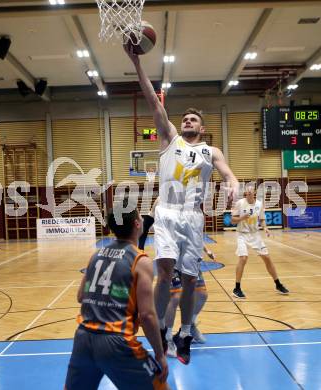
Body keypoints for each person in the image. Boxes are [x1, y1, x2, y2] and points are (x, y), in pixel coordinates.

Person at [125, 46, 239, 365]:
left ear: (201, 128)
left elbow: (229, 173)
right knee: (165, 271)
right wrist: (136, 62)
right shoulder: (169, 138)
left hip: (193, 217)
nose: (188, 121)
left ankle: (185, 332)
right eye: (185, 118)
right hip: (167, 213)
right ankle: (162, 328)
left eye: (194, 120)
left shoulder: (211, 151)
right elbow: (151, 99)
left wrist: (233, 184)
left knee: (190, 279)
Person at [64, 201, 170, 390]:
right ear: (138, 224)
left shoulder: (96, 255)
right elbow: (146, 316)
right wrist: (160, 354)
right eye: (139, 215)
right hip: (116, 342)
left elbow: (81, 296)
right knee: (159, 386)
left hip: (83, 338)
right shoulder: (140, 260)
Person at [231, 186, 289, 299]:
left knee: (267, 258)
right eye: (246, 193)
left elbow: (262, 219)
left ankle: (278, 284)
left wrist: (265, 228)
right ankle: (236, 288)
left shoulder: (259, 204)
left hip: (255, 235)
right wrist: (241, 218)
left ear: (254, 193)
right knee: (243, 258)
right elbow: (233, 220)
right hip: (242, 234)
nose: (248, 194)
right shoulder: (239, 203)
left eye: (250, 192)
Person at [165, 246, 215, 358]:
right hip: (174, 257)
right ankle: (167, 339)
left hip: (191, 259)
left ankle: (190, 325)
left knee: (202, 295)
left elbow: (195, 233)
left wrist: (206, 250)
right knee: (175, 297)